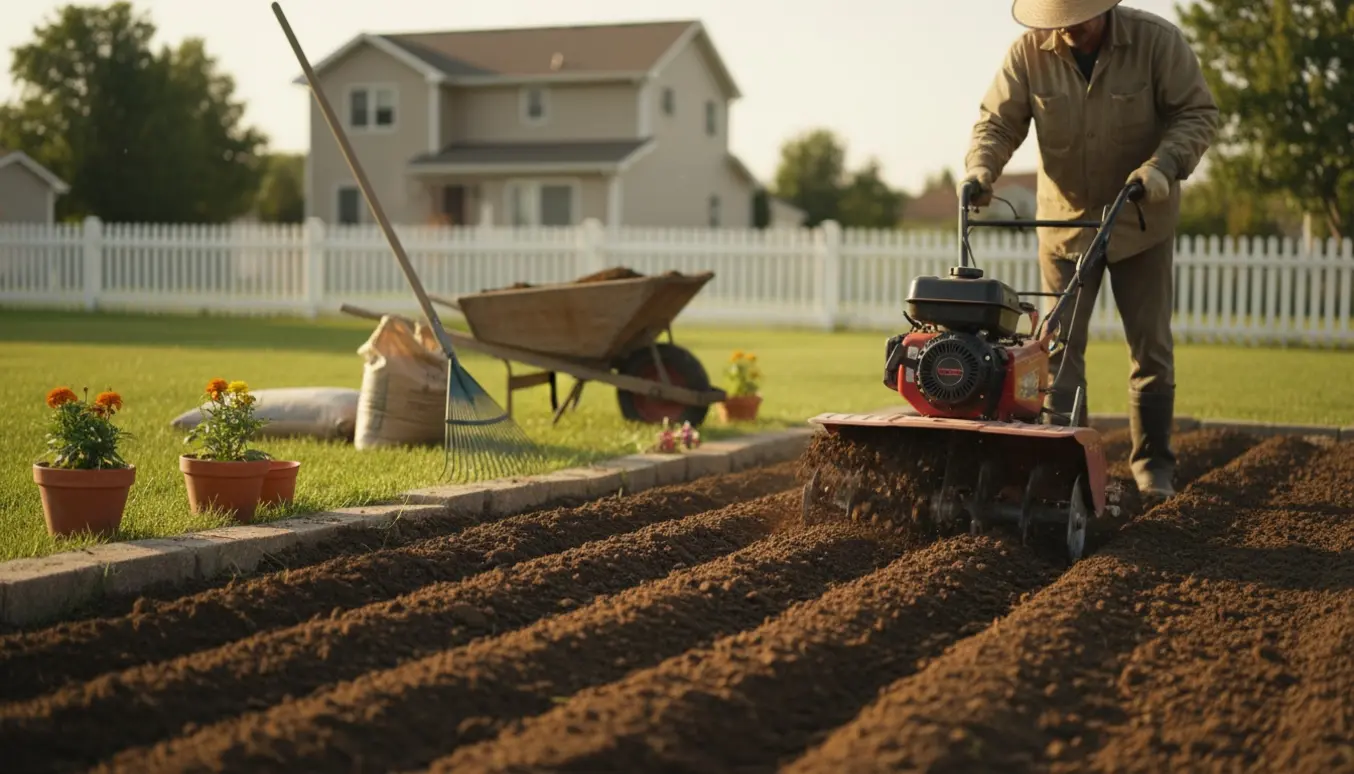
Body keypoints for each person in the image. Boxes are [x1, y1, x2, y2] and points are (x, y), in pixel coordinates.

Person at [960, 0, 1218, 503]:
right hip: (1064, 226)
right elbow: (998, 123)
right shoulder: (1028, 54)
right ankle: (1067, 467)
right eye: (1059, 21)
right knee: (1057, 350)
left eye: (1079, 17)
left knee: (1150, 349)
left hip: (1140, 219)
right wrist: (980, 170)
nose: (1070, 30)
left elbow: (1197, 113)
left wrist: (1163, 166)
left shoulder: (1156, 42)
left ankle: (1153, 468)